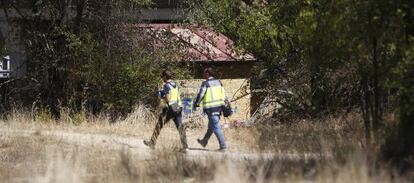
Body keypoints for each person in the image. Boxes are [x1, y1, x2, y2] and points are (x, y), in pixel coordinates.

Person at [143, 70, 188, 151]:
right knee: (180, 127)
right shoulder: (175, 84)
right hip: (177, 107)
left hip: (169, 109)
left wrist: (160, 95)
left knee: (159, 125)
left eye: (162, 76)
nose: (162, 78)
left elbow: (167, 98)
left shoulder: (166, 86)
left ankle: (152, 143)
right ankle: (185, 147)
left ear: (165, 77)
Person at [193, 67, 227, 151]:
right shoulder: (219, 82)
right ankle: (204, 141)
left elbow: (201, 95)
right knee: (211, 126)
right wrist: (226, 107)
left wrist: (196, 104)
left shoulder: (206, 83)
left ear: (207, 74)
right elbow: (224, 95)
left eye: (204, 73)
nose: (203, 75)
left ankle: (223, 146)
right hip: (219, 108)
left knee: (215, 126)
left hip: (211, 109)